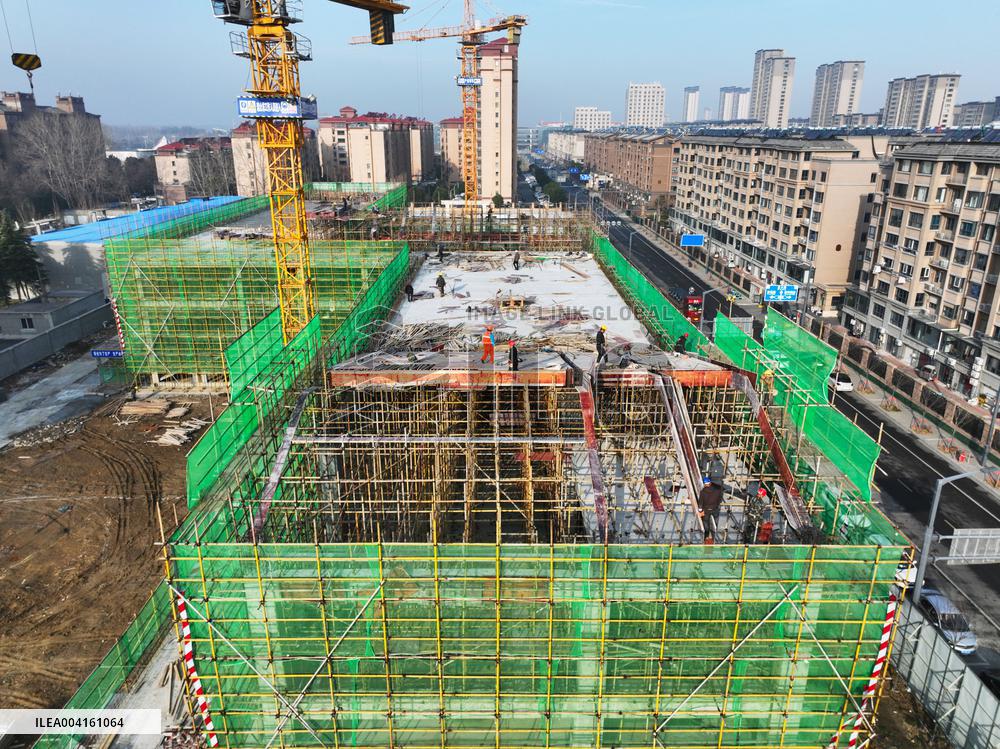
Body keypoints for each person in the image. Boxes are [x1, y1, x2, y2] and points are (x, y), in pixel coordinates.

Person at [697, 477, 724, 542]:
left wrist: (700, 510)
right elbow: (720, 498)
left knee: (706, 522)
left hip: (706, 510)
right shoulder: (717, 490)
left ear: (705, 484)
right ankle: (714, 535)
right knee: (715, 522)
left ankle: (706, 536)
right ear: (710, 483)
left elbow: (701, 502)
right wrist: (717, 505)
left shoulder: (703, 492)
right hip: (715, 508)